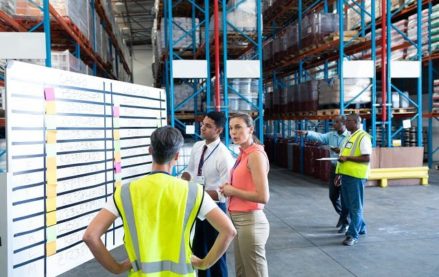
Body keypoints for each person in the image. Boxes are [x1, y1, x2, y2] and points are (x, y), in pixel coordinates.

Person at [83, 126, 236, 276]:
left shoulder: (125, 192)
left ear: (150, 151)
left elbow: (90, 236)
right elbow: (228, 231)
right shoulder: (194, 192)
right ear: (177, 156)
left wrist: (117, 268)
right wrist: (204, 264)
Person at [181, 111, 235, 277]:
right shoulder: (198, 146)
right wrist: (181, 184)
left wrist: (196, 192)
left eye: (208, 126)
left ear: (218, 130)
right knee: (198, 253)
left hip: (214, 208)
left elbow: (223, 193)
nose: (202, 128)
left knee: (215, 255)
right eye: (203, 124)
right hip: (196, 205)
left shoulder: (224, 156)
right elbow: (190, 171)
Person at [220, 112, 270, 277]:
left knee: (255, 273)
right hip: (238, 221)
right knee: (242, 272)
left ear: (251, 129)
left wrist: (232, 191)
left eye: (238, 127)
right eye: (231, 128)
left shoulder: (255, 155)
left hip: (250, 222)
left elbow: (263, 196)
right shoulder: (243, 154)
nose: (233, 132)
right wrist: (230, 187)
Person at [296, 115, 350, 233]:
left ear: (343, 123)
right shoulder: (331, 135)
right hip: (334, 168)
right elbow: (320, 136)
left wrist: (340, 151)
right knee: (333, 196)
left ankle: (346, 222)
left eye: (336, 122)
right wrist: (307, 133)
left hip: (345, 169)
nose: (333, 124)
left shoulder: (350, 137)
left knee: (345, 198)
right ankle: (344, 217)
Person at [336, 113, 371, 246]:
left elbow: (366, 158)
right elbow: (346, 155)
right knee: (349, 205)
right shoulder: (350, 137)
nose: (346, 123)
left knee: (355, 207)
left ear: (356, 122)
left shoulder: (363, 137)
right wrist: (339, 174)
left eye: (348, 121)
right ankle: (360, 227)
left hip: (356, 176)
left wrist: (347, 158)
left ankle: (352, 235)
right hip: (346, 175)